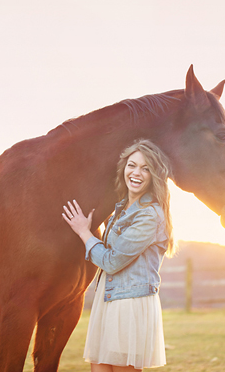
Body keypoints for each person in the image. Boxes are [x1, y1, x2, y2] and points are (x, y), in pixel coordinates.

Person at [62, 139, 175, 372]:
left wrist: (84, 232)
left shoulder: (149, 215)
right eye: (132, 165)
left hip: (129, 304)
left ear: (154, 175)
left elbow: (112, 262)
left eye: (146, 168)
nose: (137, 173)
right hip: (109, 299)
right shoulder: (122, 208)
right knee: (99, 366)